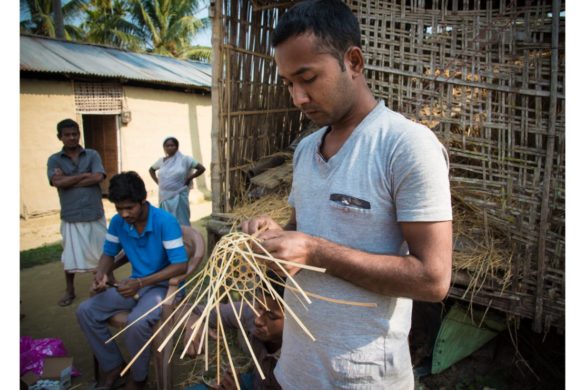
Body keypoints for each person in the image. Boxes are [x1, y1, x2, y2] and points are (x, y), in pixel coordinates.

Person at [240, 0, 453, 388]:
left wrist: (315, 251)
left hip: (362, 377)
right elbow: (301, 231)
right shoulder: (306, 150)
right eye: (289, 83)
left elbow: (433, 279)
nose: (298, 98)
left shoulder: (405, 146)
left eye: (308, 78)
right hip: (296, 370)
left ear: (353, 61)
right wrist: (273, 238)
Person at [76, 171, 189, 390]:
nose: (124, 214)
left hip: (164, 289)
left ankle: (138, 378)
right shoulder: (119, 222)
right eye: (119, 208)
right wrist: (101, 274)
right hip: (136, 285)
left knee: (136, 323)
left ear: (143, 200)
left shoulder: (165, 221)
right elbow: (109, 253)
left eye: (130, 207)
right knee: (85, 311)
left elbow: (180, 265)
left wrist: (140, 283)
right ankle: (114, 366)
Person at [183, 275, 285, 390]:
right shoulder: (249, 313)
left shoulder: (303, 356)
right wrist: (193, 324)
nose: (258, 320)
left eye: (271, 316)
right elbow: (187, 309)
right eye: (259, 307)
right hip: (257, 382)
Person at [47, 118, 107, 307]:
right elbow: (57, 183)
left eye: (75, 134)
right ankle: (70, 290)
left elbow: (98, 176)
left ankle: (104, 285)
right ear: (60, 137)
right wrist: (84, 175)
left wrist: (68, 179)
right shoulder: (54, 159)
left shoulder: (92, 154)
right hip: (71, 215)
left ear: (79, 134)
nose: (72, 137)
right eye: (67, 135)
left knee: (102, 252)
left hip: (94, 212)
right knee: (70, 254)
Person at [149, 136, 206, 226]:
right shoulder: (161, 161)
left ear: (177, 147)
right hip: (164, 196)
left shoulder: (185, 159)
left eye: (172, 145)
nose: (170, 147)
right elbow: (151, 170)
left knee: (181, 220)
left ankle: (184, 238)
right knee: (166, 220)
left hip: (179, 194)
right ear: (164, 148)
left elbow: (201, 168)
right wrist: (158, 182)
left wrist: (190, 178)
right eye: (167, 146)